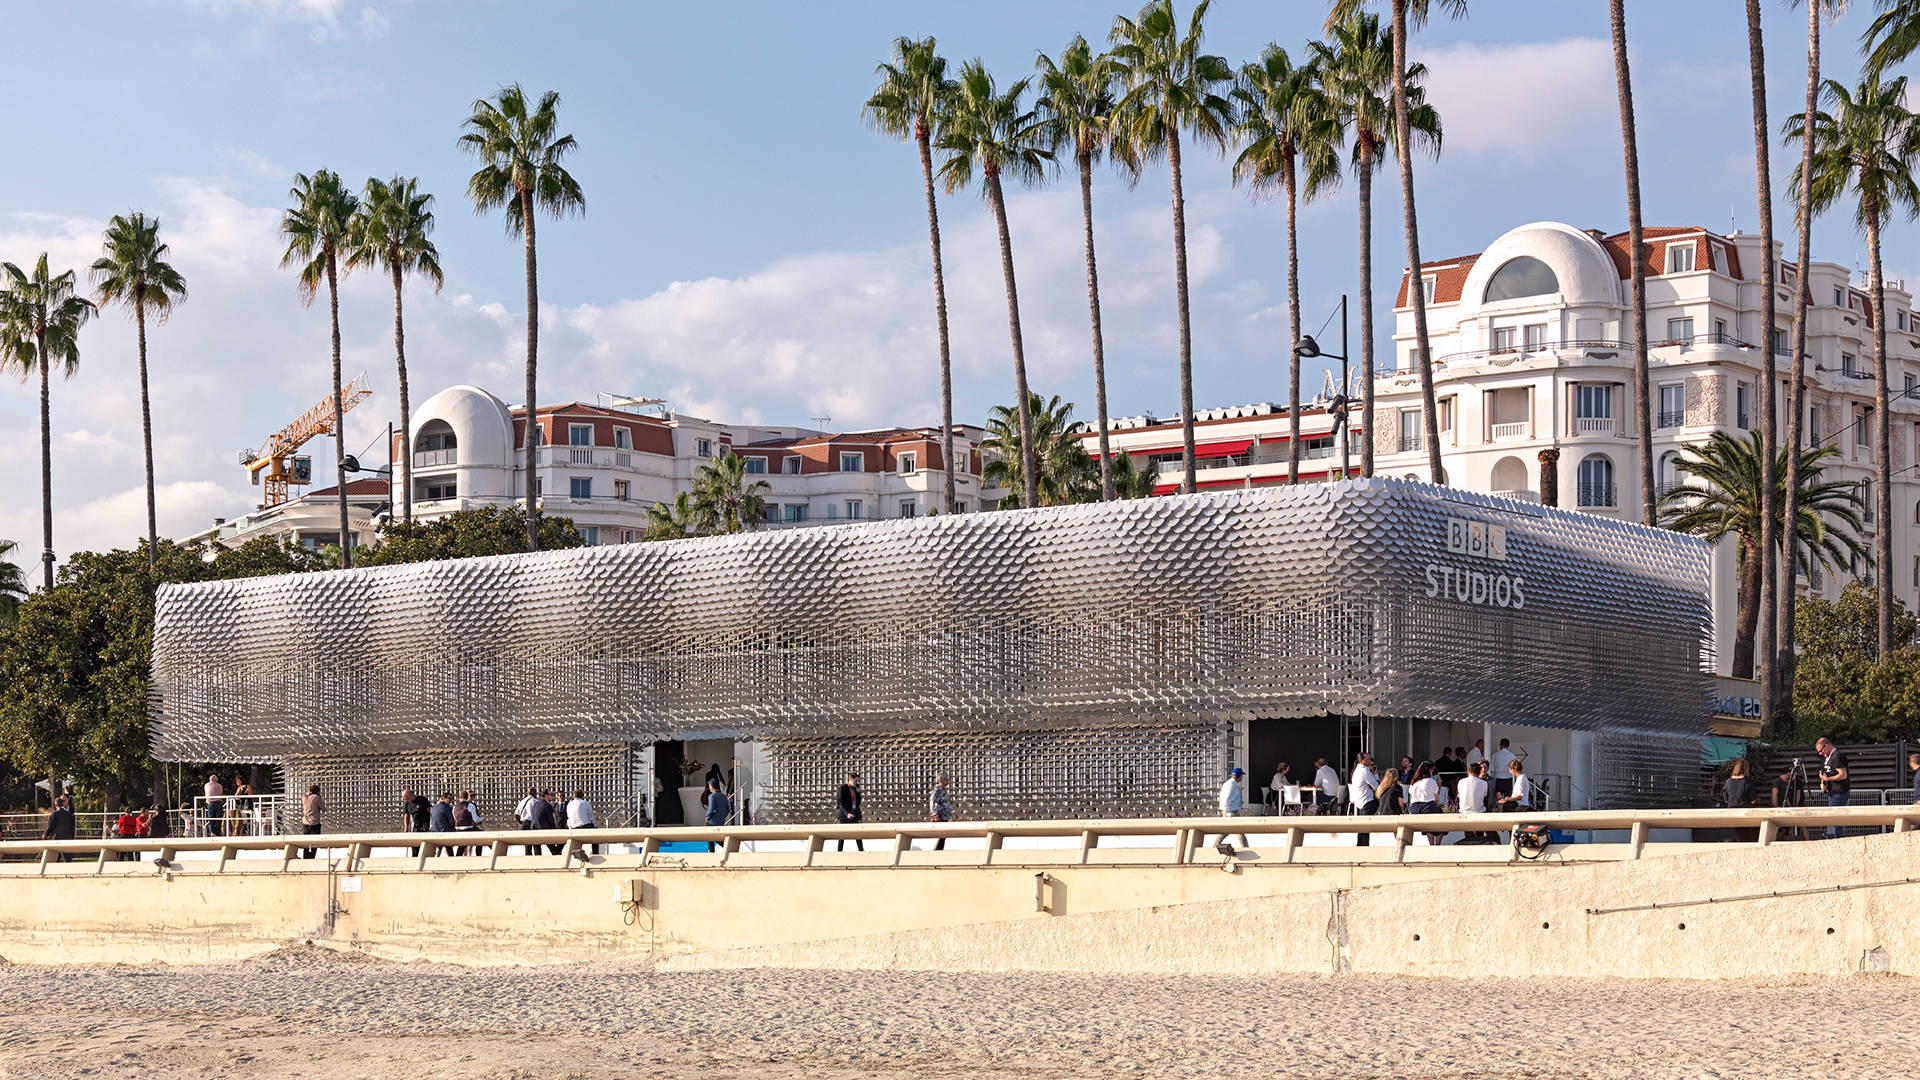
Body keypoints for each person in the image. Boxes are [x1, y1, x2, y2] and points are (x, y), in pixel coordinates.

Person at [1815, 737, 1851, 840]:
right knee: (1835, 817)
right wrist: (1823, 782)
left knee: (1834, 816)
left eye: (1821, 750)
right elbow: (1824, 771)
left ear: (1827, 746)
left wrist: (1828, 779)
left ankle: (1837, 838)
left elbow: (1843, 775)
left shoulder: (1837, 756)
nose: (1820, 753)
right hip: (1833, 791)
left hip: (1840, 791)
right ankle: (1837, 837)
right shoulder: (1827, 758)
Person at [1407, 762, 1444, 845]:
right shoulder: (1430, 781)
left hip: (1414, 808)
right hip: (1427, 806)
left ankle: (1430, 843)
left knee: (1429, 824)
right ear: (1428, 771)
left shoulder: (1414, 781)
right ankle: (1437, 845)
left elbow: (1410, 793)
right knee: (1442, 822)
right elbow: (1436, 798)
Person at [1349, 754, 1380, 846]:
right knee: (1365, 828)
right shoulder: (1364, 771)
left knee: (1361, 828)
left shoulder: (1357, 770)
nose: (1370, 761)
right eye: (1368, 759)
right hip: (1367, 801)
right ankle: (1364, 847)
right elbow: (1376, 786)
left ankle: (1360, 847)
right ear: (1362, 760)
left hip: (1360, 802)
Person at [1457, 761, 1490, 843]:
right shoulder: (1484, 783)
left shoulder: (1461, 782)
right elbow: (1484, 796)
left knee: (1468, 831)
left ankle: (1469, 840)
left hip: (1464, 812)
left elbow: (1460, 795)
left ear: (1468, 771)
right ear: (1479, 772)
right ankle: (1480, 838)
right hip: (1479, 811)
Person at [1217, 767, 1250, 849]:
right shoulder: (1232, 785)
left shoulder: (1228, 783)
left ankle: (1213, 847)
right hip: (1231, 812)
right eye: (1242, 776)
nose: (1242, 778)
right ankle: (1246, 849)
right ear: (1239, 776)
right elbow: (1227, 798)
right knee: (1239, 832)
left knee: (1227, 832)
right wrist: (1229, 813)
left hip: (1229, 811)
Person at [835, 771, 864, 851]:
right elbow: (841, 803)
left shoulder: (855, 789)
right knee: (842, 836)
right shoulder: (842, 788)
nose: (857, 783)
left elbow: (858, 803)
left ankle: (861, 851)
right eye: (856, 781)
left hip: (854, 813)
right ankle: (839, 852)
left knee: (858, 835)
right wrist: (847, 813)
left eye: (858, 781)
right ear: (851, 779)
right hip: (845, 815)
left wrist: (858, 793)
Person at [527, 788, 560, 854]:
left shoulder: (535, 804)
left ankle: (538, 862)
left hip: (533, 829)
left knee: (537, 848)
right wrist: (555, 829)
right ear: (546, 796)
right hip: (544, 829)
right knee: (553, 848)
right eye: (551, 794)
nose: (552, 796)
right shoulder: (547, 805)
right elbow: (551, 820)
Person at [43, 796, 75, 861]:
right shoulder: (69, 814)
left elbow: (50, 825)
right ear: (62, 804)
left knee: (55, 858)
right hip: (67, 837)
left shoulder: (55, 814)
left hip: (56, 838)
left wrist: (45, 834)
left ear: (55, 805)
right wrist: (72, 836)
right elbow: (72, 827)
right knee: (67, 859)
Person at [567, 788, 598, 856]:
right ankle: (595, 853)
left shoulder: (569, 804)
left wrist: (570, 829)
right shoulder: (585, 803)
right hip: (585, 826)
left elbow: (568, 819)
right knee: (596, 837)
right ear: (582, 796)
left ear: (574, 796)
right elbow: (591, 817)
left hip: (574, 827)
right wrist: (595, 826)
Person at [702, 779, 729, 852]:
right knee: (718, 838)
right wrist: (722, 816)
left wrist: (707, 818)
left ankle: (712, 853)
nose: (709, 787)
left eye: (709, 786)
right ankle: (729, 849)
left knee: (710, 839)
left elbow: (711, 809)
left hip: (712, 821)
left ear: (713, 786)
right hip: (721, 821)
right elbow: (728, 809)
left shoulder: (712, 796)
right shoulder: (724, 796)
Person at [928, 774, 953, 851]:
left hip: (945, 815)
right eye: (946, 780)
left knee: (943, 836)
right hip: (940, 815)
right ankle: (938, 851)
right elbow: (932, 801)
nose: (948, 781)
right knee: (942, 835)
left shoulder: (943, 790)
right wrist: (935, 815)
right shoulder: (937, 789)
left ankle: (938, 850)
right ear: (942, 780)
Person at [515, 785, 542, 855]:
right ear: (534, 793)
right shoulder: (535, 801)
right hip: (532, 824)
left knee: (527, 846)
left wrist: (521, 823)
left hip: (524, 824)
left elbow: (516, 814)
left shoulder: (522, 801)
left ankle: (528, 862)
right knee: (536, 845)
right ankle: (538, 861)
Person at [301, 784, 324, 860]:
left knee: (306, 843)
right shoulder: (316, 798)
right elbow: (323, 809)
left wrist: (308, 793)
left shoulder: (304, 798)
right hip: (315, 823)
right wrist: (320, 797)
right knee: (314, 843)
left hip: (305, 823)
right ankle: (312, 858)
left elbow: (305, 794)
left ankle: (305, 858)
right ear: (318, 791)